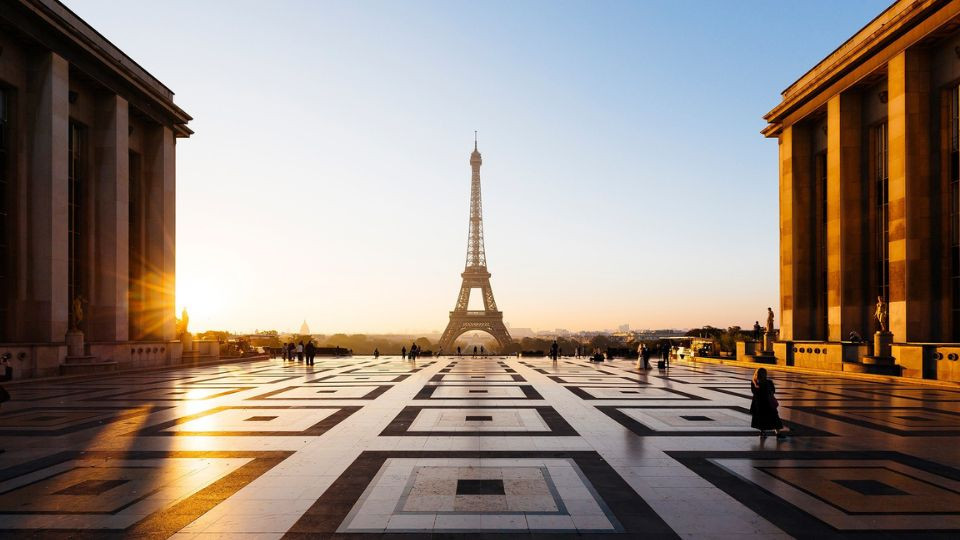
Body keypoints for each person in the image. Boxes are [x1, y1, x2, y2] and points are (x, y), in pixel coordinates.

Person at [750, 368, 787, 439]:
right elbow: (773, 391)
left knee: (761, 419)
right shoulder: (768, 382)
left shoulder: (754, 382)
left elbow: (754, 392)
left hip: (758, 404)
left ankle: (762, 433)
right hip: (768, 403)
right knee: (775, 418)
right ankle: (778, 433)